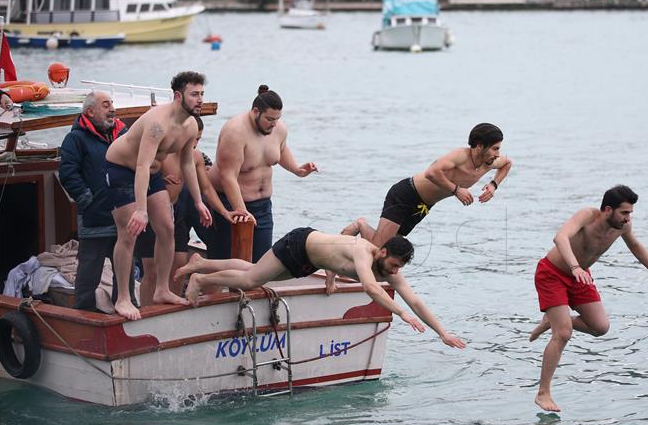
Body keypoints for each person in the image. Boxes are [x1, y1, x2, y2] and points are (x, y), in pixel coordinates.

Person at [174, 230, 466, 349]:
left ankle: (201, 262)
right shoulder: (364, 253)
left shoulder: (389, 267)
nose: (395, 271)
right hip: (298, 245)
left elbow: (415, 300)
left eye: (399, 268)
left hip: (310, 261)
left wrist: (442, 332)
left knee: (254, 270)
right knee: (252, 280)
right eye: (393, 263)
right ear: (383, 250)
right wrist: (401, 314)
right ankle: (200, 279)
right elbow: (371, 289)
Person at [529, 185, 648, 412]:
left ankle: (553, 319)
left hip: (581, 276)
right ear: (608, 210)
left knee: (600, 327)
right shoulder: (587, 215)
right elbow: (560, 237)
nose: (628, 218)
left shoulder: (623, 227)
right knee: (563, 334)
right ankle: (543, 393)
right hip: (553, 273)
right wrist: (575, 266)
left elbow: (636, 246)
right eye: (625, 213)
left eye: (630, 213)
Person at [326, 122, 512, 294]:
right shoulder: (460, 156)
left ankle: (360, 234)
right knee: (378, 251)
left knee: (384, 249)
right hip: (406, 194)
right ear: (480, 146)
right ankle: (355, 232)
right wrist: (456, 190)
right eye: (495, 148)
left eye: (499, 149)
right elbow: (432, 172)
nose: (497, 154)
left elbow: (507, 163)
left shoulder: (490, 163)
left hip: (422, 206)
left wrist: (493, 185)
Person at [104, 71, 212, 320]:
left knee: (166, 227)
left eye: (202, 94)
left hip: (150, 173)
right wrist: (141, 210)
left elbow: (187, 164)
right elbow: (142, 165)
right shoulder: (157, 123)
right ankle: (122, 298)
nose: (200, 99)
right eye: (194, 94)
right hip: (122, 170)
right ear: (178, 95)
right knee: (129, 233)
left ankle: (162, 289)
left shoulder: (191, 125)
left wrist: (198, 201)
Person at [134, 116, 248, 303]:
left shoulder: (195, 157)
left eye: (199, 139)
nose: (195, 144)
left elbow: (206, 188)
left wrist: (224, 211)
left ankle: (172, 305)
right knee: (152, 269)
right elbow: (138, 174)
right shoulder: (161, 153)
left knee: (179, 264)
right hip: (153, 211)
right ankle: (147, 310)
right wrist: (160, 181)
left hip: (177, 212)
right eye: (193, 138)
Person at [207, 85, 318, 262]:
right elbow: (227, 176)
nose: (274, 124)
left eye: (277, 119)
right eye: (269, 119)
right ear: (255, 111)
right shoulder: (235, 132)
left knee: (261, 263)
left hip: (263, 206)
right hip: (229, 203)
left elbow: (280, 151)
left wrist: (297, 170)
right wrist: (242, 212)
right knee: (228, 262)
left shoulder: (278, 128)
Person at [59, 91, 138, 311]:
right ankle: (82, 315)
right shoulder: (75, 139)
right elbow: (67, 173)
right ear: (90, 111)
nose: (112, 108)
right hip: (95, 216)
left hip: (124, 213)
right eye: (106, 105)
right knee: (89, 270)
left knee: (126, 268)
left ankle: (125, 305)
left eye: (112, 103)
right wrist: (87, 200)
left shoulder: (124, 135)